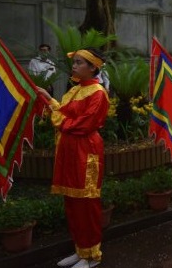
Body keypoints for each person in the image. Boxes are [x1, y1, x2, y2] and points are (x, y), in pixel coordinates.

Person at [36, 48, 110, 268]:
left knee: (87, 204)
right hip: (69, 151)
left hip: (86, 151)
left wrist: (58, 119)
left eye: (79, 62)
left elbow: (83, 124)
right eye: (75, 62)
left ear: (93, 67)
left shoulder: (98, 93)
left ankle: (92, 256)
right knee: (72, 202)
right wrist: (50, 100)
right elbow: (65, 114)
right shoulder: (74, 91)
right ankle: (80, 251)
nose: (74, 66)